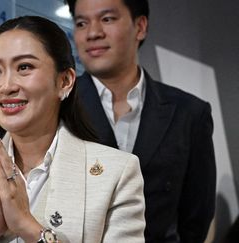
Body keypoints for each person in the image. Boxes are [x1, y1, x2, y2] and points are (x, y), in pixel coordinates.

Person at [0, 15, 145, 243]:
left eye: (24, 67)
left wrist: (29, 228)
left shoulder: (117, 173)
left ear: (65, 81)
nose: (6, 86)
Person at [65, 0, 216, 242]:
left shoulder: (189, 113)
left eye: (107, 19)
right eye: (82, 23)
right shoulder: (56, 109)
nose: (93, 33)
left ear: (140, 27)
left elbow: (196, 217)